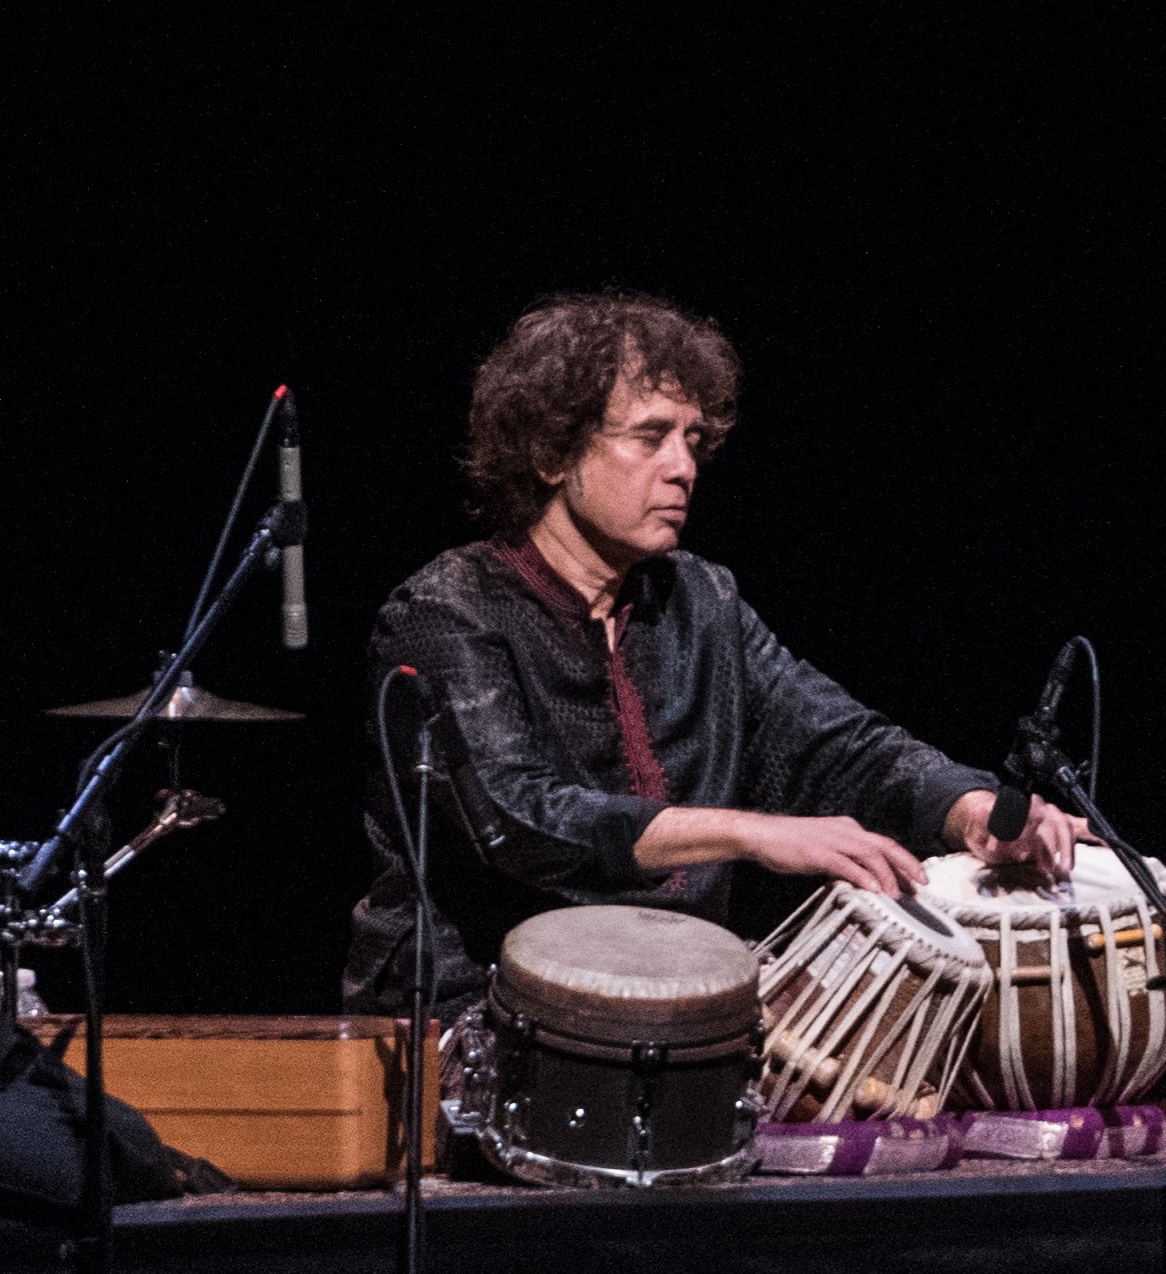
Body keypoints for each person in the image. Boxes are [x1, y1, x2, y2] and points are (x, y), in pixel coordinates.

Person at [346, 292, 1087, 1020]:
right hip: (473, 1019)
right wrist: (751, 832)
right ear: (550, 451)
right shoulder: (448, 611)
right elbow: (523, 819)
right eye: (651, 435)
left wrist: (973, 809)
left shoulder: (702, 602)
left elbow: (837, 744)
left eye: (693, 440)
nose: (684, 467)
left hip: (674, 1013)